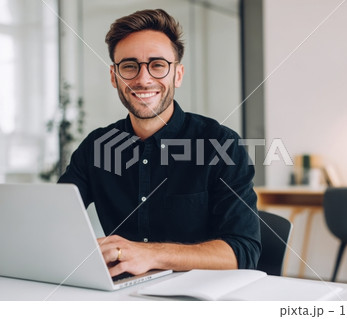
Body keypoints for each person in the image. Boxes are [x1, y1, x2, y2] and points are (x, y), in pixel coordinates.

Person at [58, 9, 261, 278]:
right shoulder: (97, 147)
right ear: (113, 76)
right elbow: (55, 222)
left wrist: (151, 255)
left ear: (177, 74)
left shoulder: (220, 144)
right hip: (119, 296)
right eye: (129, 66)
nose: (143, 79)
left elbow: (243, 251)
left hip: (202, 298)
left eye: (157, 65)